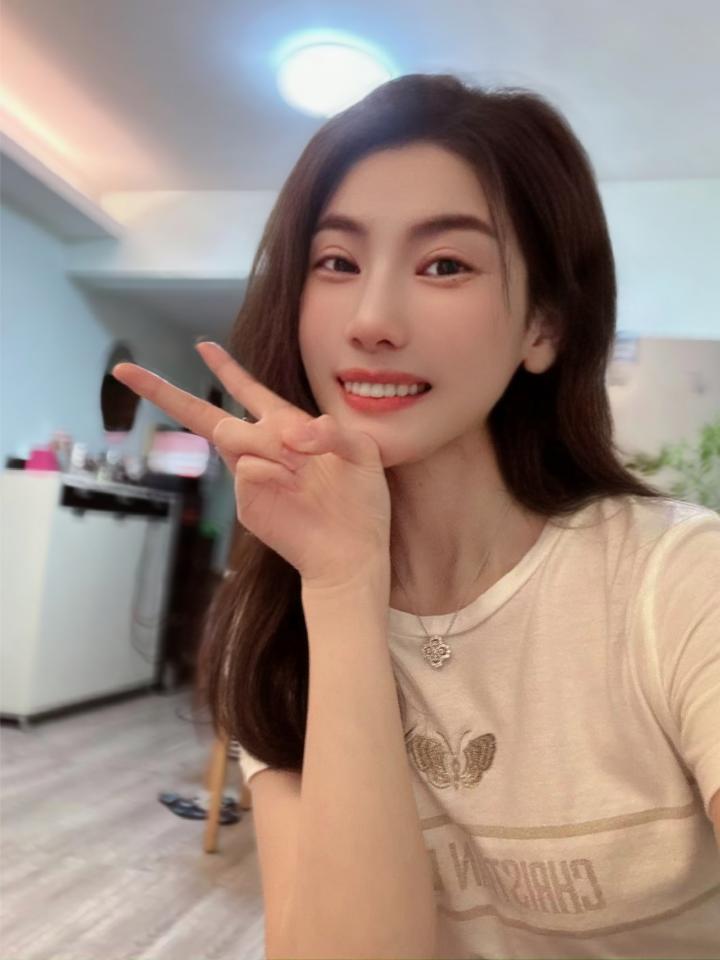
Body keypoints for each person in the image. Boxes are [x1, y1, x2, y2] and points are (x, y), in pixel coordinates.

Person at [113, 74, 720, 959]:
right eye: (337, 262)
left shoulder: (680, 580)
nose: (372, 320)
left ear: (544, 327)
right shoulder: (276, 622)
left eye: (445, 265)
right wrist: (343, 585)